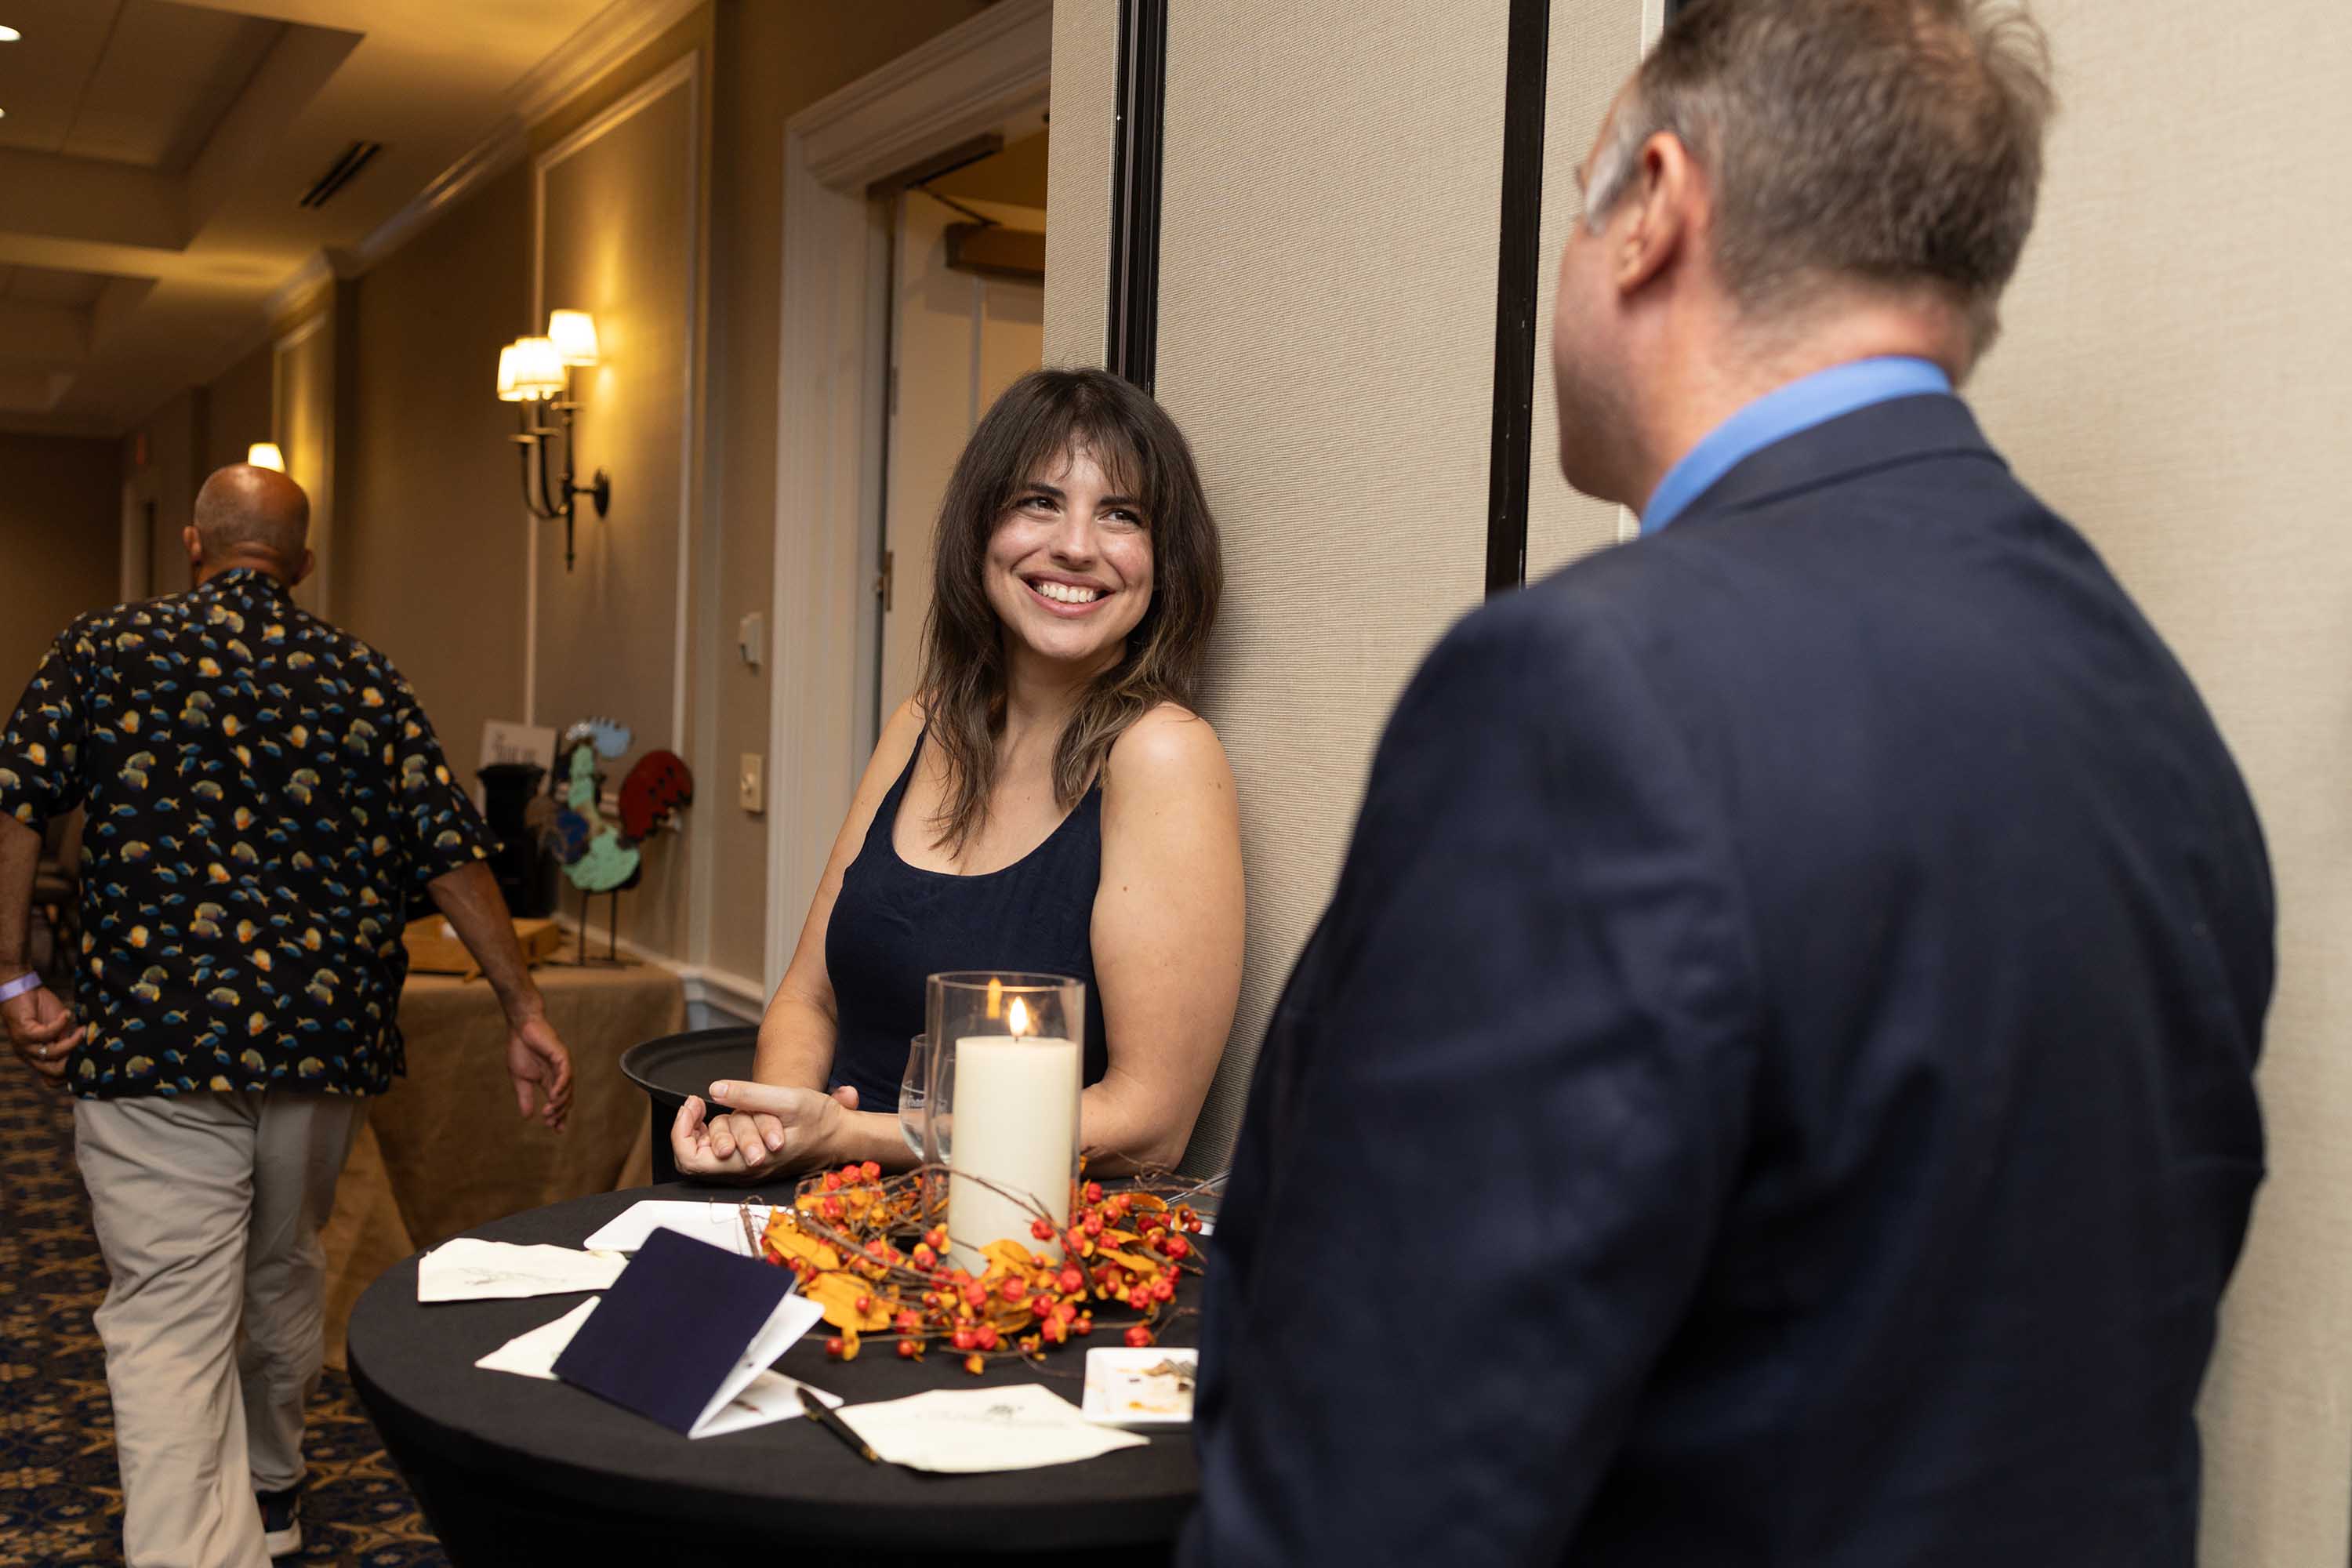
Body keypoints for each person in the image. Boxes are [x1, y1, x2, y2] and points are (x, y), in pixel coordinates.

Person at [1183, 2, 2270, 1564]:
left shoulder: (1583, 697)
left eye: (1577, 197)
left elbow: (1379, 1485)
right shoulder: (2159, 725)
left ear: (1658, 211)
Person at [0, 464, 575, 1568]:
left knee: (171, 1314)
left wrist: (15, 978)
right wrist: (523, 1005)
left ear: (191, 544)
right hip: (320, 1045)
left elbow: (18, 797)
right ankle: (269, 1494)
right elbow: (449, 849)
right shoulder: (365, 677)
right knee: (280, 1266)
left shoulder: (103, 649)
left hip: (151, 1042)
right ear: (303, 563)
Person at [673, 368, 1243, 1181]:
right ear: (981, 530)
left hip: (1014, 1264)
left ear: (1163, 560)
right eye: (1039, 501)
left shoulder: (1163, 754)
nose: (1076, 545)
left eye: (1120, 514)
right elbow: (810, 995)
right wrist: (771, 1127)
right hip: (826, 1211)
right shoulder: (923, 720)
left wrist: (848, 1135)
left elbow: (1149, 1122)